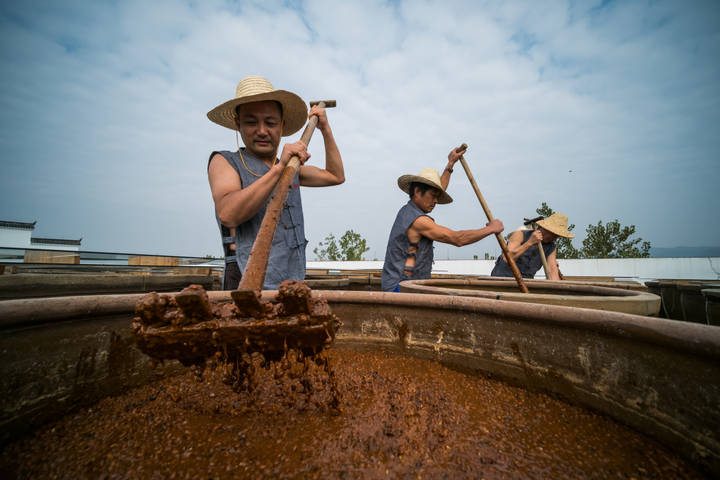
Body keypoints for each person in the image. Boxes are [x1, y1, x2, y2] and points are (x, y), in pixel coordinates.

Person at [206, 76, 344, 290]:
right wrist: (279, 169)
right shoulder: (225, 161)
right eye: (251, 122)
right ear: (237, 124)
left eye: (270, 123)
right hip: (245, 283)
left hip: (291, 281)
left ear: (282, 126)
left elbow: (336, 176)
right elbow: (228, 213)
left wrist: (325, 129)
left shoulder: (292, 168)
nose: (262, 131)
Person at [381, 148, 504, 292]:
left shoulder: (411, 210)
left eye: (437, 197)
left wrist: (450, 164)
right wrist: (491, 229)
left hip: (406, 285)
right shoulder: (419, 221)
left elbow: (440, 188)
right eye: (433, 196)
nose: (435, 201)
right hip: (399, 288)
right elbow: (457, 239)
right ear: (417, 192)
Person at [490, 213, 574, 280]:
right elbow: (506, 258)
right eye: (554, 235)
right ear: (546, 229)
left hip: (526, 284)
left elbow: (552, 270)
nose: (555, 239)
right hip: (501, 280)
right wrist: (529, 243)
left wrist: (557, 291)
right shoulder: (520, 235)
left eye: (557, 237)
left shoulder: (551, 247)